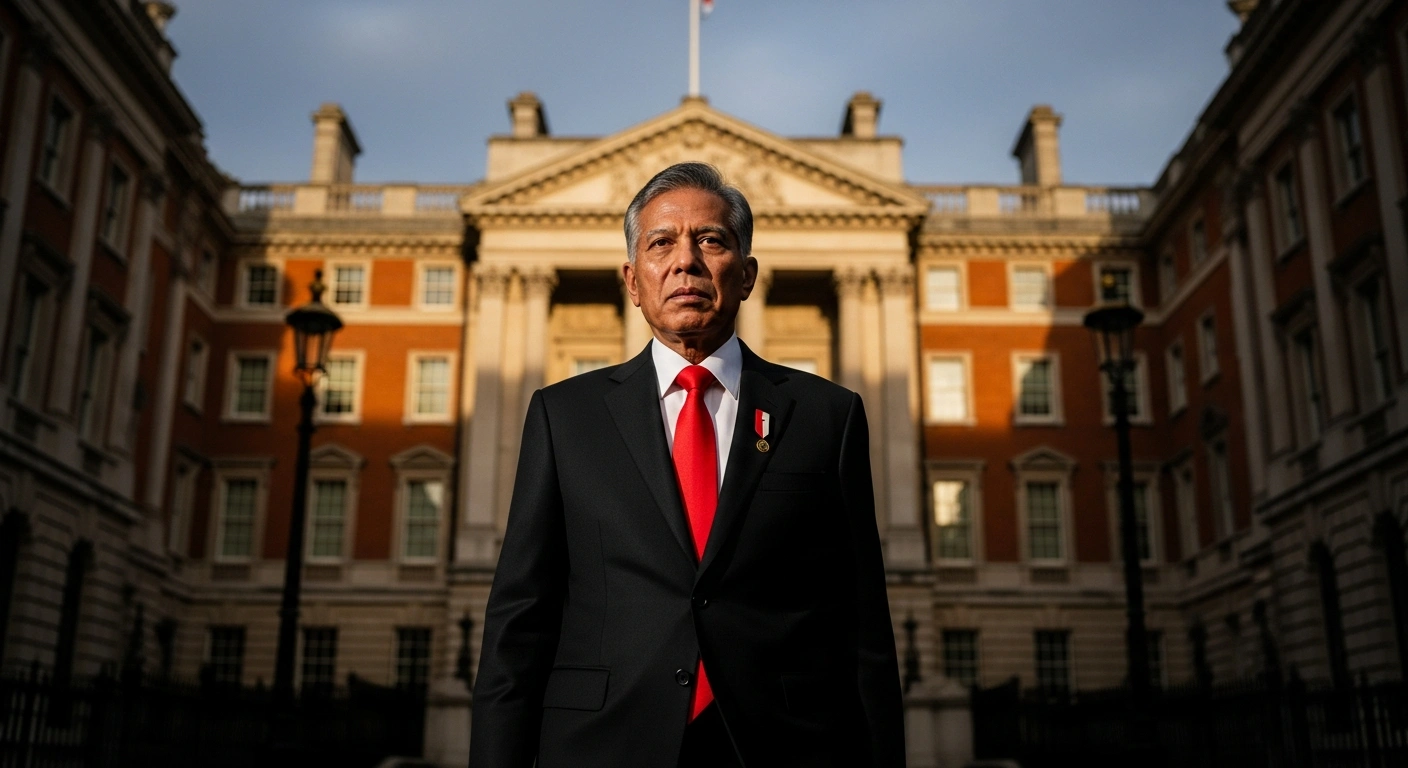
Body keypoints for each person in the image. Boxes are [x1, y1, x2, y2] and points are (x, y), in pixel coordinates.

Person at [469, 162, 905, 767]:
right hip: (605, 744)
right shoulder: (563, 416)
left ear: (747, 275)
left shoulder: (828, 417)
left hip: (783, 745)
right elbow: (520, 623)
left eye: (711, 240)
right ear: (632, 279)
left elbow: (863, 631)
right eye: (661, 243)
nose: (686, 261)